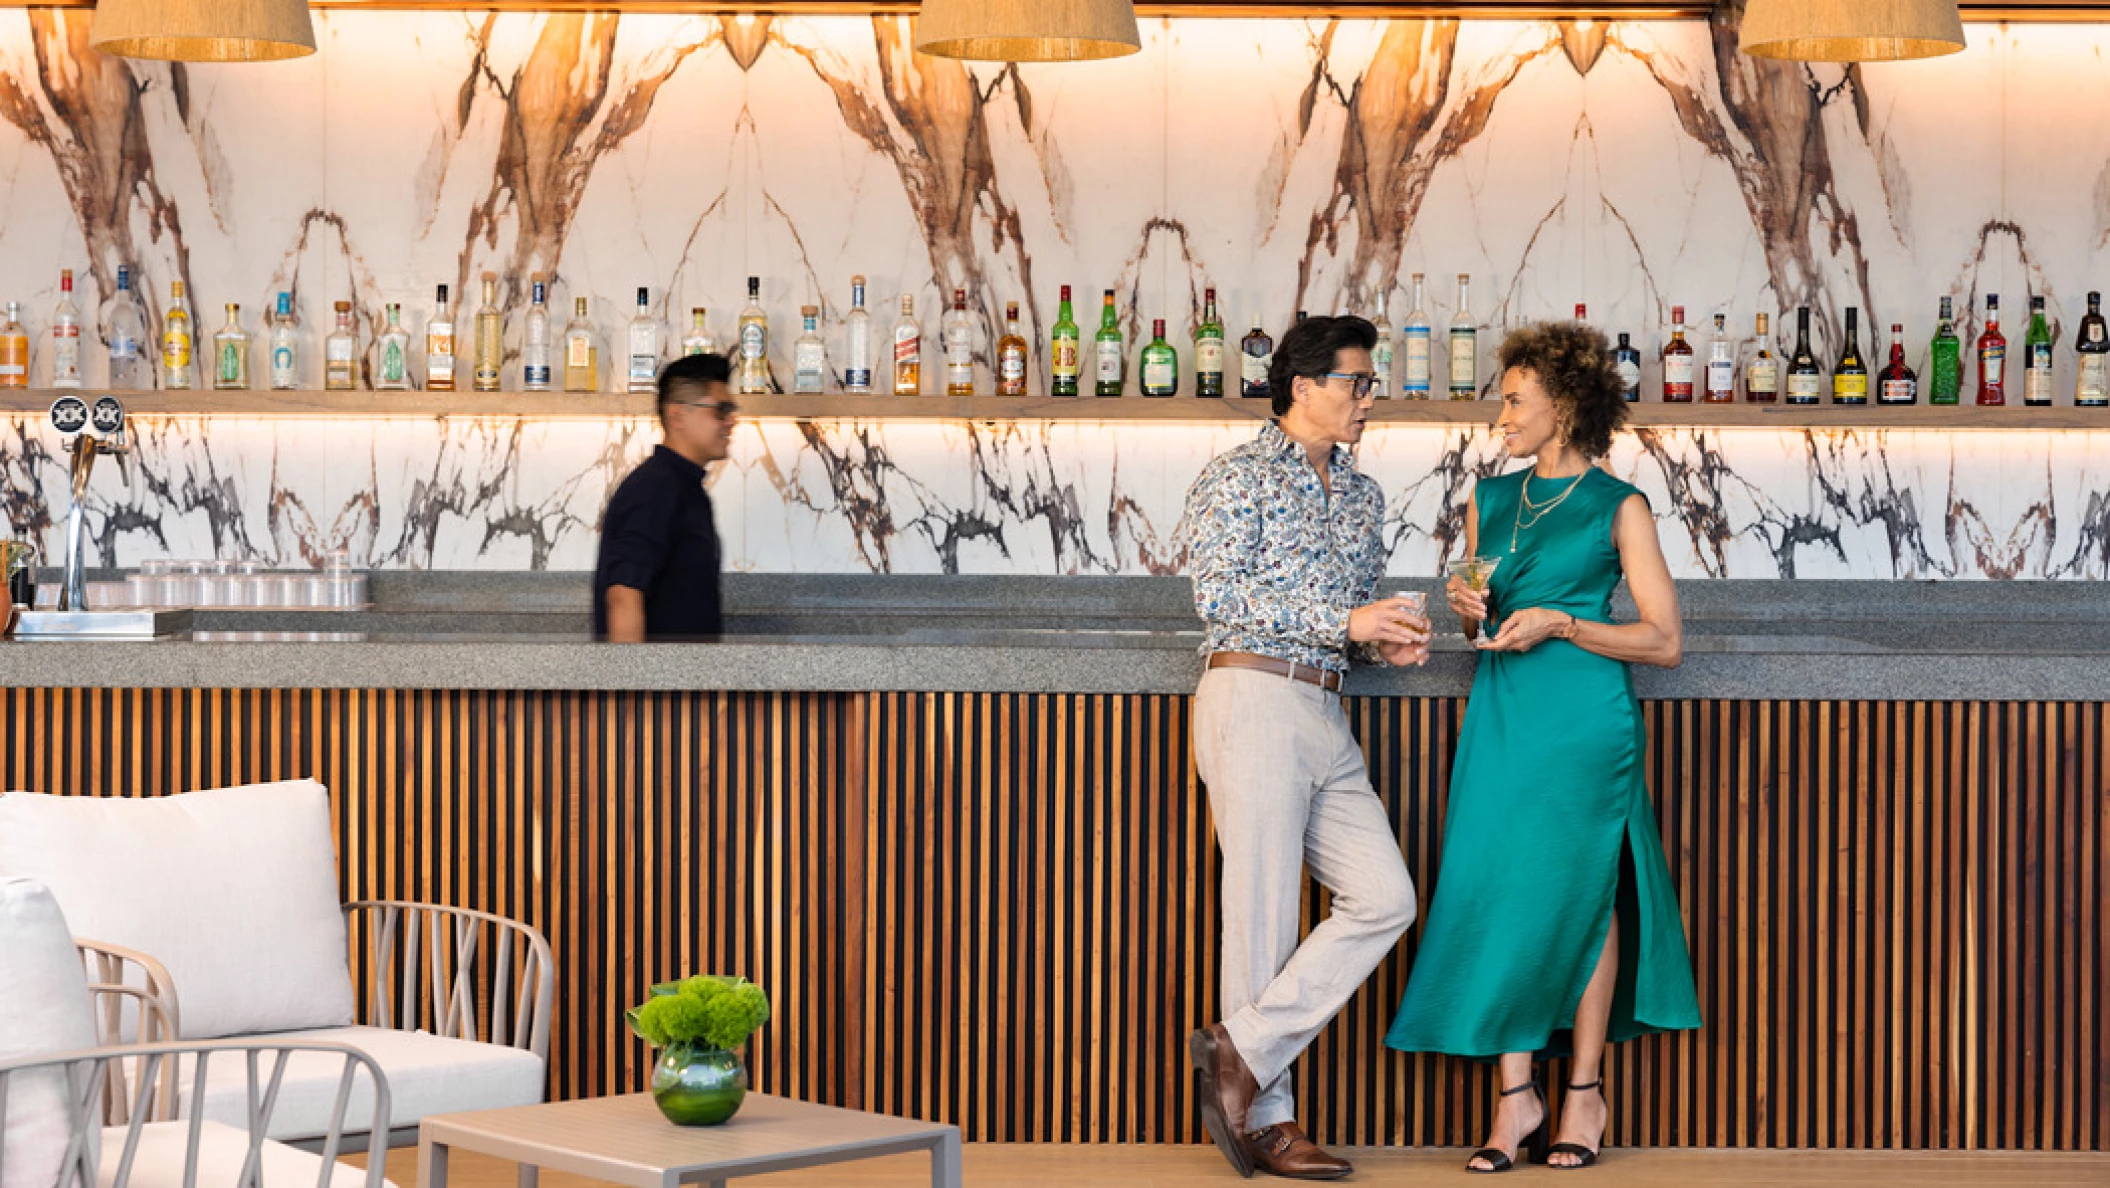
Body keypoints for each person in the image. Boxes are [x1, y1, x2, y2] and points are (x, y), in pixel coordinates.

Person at [1384, 321, 1702, 1173]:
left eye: (1515, 400)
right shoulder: (1490, 499)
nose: (1500, 416)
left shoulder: (1620, 505)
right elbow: (1484, 604)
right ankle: (1515, 1097)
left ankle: (1584, 1094)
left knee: (1582, 897)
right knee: (1500, 892)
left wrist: (1564, 621)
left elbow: (1665, 640)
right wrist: (1466, 603)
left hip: (1582, 728)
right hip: (1502, 718)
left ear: (1563, 407)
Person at [1180, 315, 1432, 1181]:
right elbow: (1218, 596)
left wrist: (1380, 640)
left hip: (1327, 711)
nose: (1370, 399)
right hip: (1250, 696)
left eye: (1371, 384)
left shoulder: (1363, 497)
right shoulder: (1236, 476)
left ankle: (1238, 1048)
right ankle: (1269, 1123)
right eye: (1357, 383)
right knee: (1261, 916)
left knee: (1385, 897)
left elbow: (1351, 617)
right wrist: (1343, 622)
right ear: (1304, 388)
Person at [592, 352, 737, 642]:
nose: (731, 421)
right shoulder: (657, 488)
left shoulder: (682, 487)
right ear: (677, 415)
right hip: (657, 687)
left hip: (678, 685)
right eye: (720, 410)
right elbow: (623, 595)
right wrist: (633, 687)